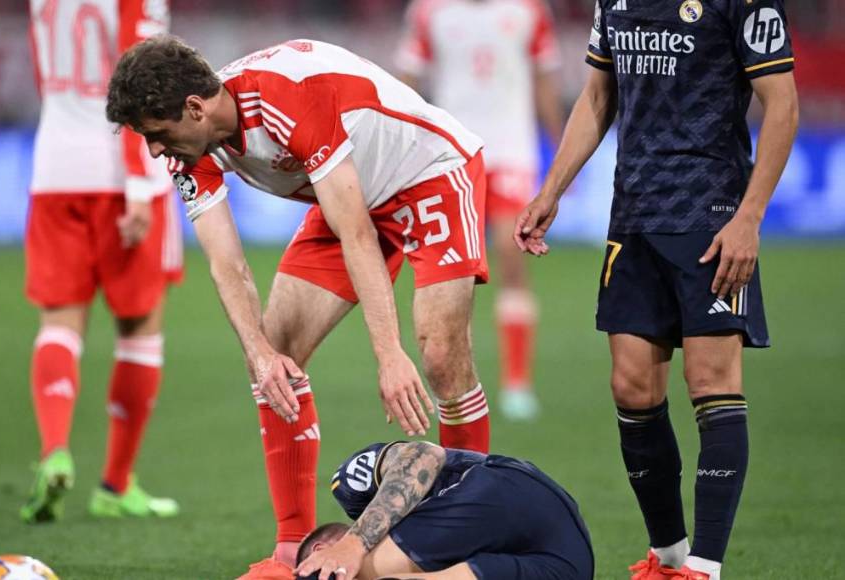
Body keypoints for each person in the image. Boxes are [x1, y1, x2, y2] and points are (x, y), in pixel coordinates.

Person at [106, 37, 493, 577]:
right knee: (275, 351)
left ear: (194, 108)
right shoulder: (190, 149)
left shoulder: (290, 97)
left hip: (430, 174)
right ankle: (291, 551)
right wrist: (260, 354)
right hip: (346, 196)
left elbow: (356, 234)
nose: (153, 151)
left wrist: (388, 354)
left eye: (157, 135)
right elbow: (227, 264)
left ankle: (468, 530)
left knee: (441, 356)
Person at [514, 0, 798, 577]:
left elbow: (783, 105)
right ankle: (668, 557)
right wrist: (551, 190)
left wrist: (748, 218)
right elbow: (598, 98)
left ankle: (705, 566)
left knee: (711, 382)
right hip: (634, 213)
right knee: (632, 387)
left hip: (709, 212)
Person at [20, 0, 184, 523]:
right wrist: (138, 182)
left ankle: (54, 451)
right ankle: (115, 482)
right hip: (119, 172)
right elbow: (144, 81)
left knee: (59, 322)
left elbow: (42, 67)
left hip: (54, 167)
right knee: (140, 330)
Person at [395, 0, 566, 420]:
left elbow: (544, 78)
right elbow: (407, 81)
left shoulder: (528, 9)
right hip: (451, 153)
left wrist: (560, 149)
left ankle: (517, 384)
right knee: (454, 274)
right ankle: (456, 379)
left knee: (511, 254)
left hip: (510, 149)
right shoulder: (429, 11)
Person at [295, 441, 593, 580]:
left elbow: (424, 454)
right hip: (568, 561)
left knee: (322, 578)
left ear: (321, 549)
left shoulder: (351, 490)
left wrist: (353, 543)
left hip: (502, 489)